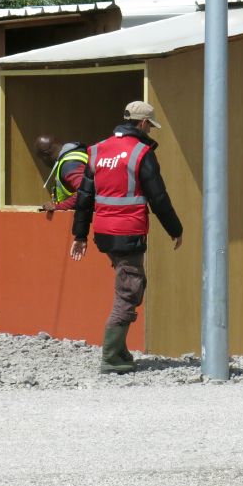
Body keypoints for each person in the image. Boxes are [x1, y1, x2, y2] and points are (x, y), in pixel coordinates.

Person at [70, 101, 183, 374]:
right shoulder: (141, 153)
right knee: (130, 289)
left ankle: (120, 350)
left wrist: (80, 234)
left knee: (125, 279)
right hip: (129, 232)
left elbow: (84, 198)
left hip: (105, 233)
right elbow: (158, 197)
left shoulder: (97, 151)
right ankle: (110, 356)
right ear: (143, 124)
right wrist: (175, 229)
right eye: (151, 127)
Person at [35, 135, 89, 212]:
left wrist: (58, 207)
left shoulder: (69, 165)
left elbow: (85, 192)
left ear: (45, 156)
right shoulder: (77, 154)